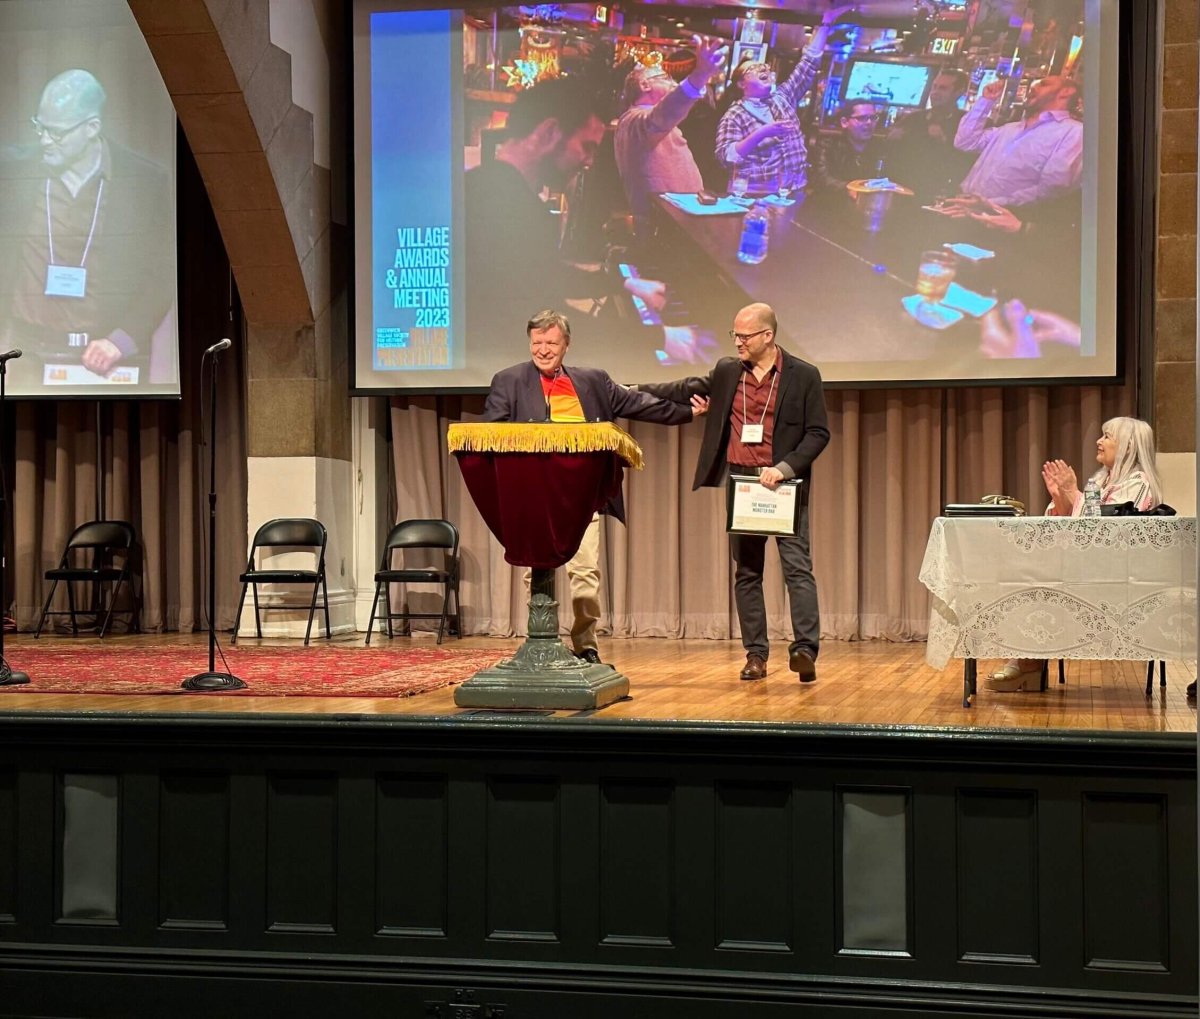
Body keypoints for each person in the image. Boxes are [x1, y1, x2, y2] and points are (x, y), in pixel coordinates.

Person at [483, 309, 704, 665]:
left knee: (585, 574)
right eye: (537, 342)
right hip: (534, 500)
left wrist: (686, 413)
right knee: (535, 577)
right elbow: (490, 437)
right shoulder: (508, 381)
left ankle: (585, 644)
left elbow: (638, 404)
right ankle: (541, 643)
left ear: (566, 345)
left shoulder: (592, 381)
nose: (542, 349)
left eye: (551, 342)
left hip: (582, 501)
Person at [639, 302, 829, 682]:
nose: (738, 342)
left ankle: (805, 650)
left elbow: (817, 433)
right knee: (747, 572)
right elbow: (684, 388)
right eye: (735, 335)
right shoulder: (729, 371)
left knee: (797, 569)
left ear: (767, 336)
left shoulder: (803, 375)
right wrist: (630, 393)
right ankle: (755, 655)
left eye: (744, 335)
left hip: (784, 483)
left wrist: (784, 468)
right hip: (743, 483)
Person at [465, 77, 707, 365]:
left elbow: (544, 276)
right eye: (587, 146)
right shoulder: (507, 210)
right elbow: (537, 328)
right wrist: (659, 338)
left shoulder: (490, 186)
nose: (589, 161)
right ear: (549, 133)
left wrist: (623, 283)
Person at [0, 69, 173, 383]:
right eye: (39, 127)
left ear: (92, 127)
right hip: (21, 352)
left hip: (100, 354)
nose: (44, 140)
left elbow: (162, 274)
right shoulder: (13, 172)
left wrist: (120, 340)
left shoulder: (144, 181)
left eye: (57, 132)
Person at [989, 417, 1164, 691]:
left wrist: (1072, 492)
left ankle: (1028, 663)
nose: (1099, 441)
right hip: (1087, 569)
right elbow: (1073, 528)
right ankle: (1027, 659)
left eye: (1107, 436)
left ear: (1128, 446)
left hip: (1117, 580)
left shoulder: (1138, 483)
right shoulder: (1100, 481)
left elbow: (1107, 535)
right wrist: (1061, 499)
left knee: (1041, 578)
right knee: (1022, 571)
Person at [714, 5, 855, 196]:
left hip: (794, 189)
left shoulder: (782, 98)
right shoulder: (735, 115)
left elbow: (809, 63)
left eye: (764, 67)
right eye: (753, 69)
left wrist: (826, 22)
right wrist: (763, 132)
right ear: (741, 84)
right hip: (754, 194)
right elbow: (727, 156)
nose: (763, 69)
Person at [613, 36, 728, 224]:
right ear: (645, 85)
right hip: (664, 226)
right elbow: (662, 116)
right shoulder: (633, 120)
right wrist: (698, 76)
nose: (672, 82)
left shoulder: (637, 121)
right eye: (666, 77)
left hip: (676, 220)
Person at [954, 75, 1083, 207]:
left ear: (1067, 92)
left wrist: (991, 204)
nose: (1033, 87)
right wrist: (986, 101)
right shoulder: (1010, 128)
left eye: (1044, 84)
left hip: (1002, 218)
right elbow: (965, 142)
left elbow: (1053, 187)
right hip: (962, 205)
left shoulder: (1074, 132)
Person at [887, 68, 973, 198]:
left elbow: (968, 164)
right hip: (906, 191)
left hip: (943, 195)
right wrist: (893, 137)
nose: (935, 93)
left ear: (958, 92)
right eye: (934, 87)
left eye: (943, 88)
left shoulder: (966, 123)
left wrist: (943, 140)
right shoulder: (913, 118)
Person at [810, 100, 888, 192]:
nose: (869, 122)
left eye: (873, 117)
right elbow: (820, 179)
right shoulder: (827, 146)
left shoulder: (881, 148)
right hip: (833, 201)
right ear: (844, 122)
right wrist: (851, 189)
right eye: (862, 118)